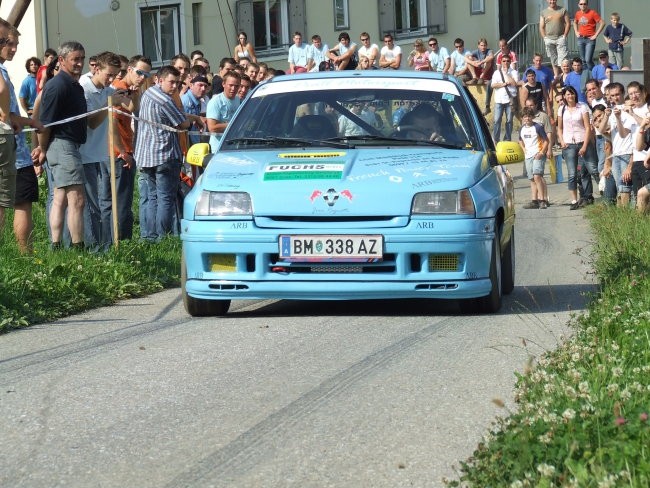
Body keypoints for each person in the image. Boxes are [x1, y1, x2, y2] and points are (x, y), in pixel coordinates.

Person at [134, 65, 204, 240]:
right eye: (171, 82)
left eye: (177, 83)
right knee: (165, 199)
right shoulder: (165, 100)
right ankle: (162, 238)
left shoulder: (148, 93)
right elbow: (183, 124)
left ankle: (150, 236)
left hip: (146, 155)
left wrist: (191, 117)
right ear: (160, 80)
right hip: (164, 155)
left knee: (152, 198)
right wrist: (193, 119)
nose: (174, 86)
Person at [34, 41, 88, 249]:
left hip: (67, 145)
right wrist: (43, 149)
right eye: (75, 59)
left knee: (60, 199)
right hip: (62, 146)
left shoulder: (72, 84)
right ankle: (77, 248)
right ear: (62, 60)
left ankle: (56, 247)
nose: (79, 63)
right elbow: (45, 124)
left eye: (82, 58)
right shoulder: (58, 85)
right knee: (77, 200)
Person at [0, 21, 43, 253]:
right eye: (9, 43)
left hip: (11, 145)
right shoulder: (1, 72)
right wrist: (30, 121)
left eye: (16, 44)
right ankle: (24, 253)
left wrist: (26, 121)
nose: (14, 48)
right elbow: (9, 113)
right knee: (21, 202)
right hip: (13, 151)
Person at [79, 51, 124, 250]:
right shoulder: (84, 88)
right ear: (96, 69)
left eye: (115, 75)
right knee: (90, 207)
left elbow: (130, 105)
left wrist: (129, 93)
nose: (112, 79)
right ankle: (92, 248)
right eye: (109, 75)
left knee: (99, 203)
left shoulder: (107, 89)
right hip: (84, 154)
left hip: (99, 153)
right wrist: (109, 104)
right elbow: (92, 123)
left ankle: (101, 246)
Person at [110, 54, 152, 243]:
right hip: (119, 152)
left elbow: (135, 109)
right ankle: (120, 242)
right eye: (139, 72)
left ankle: (123, 241)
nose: (142, 77)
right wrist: (123, 152)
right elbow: (112, 124)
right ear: (129, 70)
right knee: (121, 202)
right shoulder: (119, 89)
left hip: (127, 147)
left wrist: (136, 93)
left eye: (146, 75)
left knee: (125, 201)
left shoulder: (130, 89)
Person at [556, 85, 598, 209]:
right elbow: (559, 127)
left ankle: (604, 192)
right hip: (569, 144)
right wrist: (561, 141)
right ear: (564, 96)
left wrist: (585, 146)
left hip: (582, 141)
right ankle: (574, 200)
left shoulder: (582, 107)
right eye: (568, 94)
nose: (570, 96)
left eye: (572, 93)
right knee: (572, 174)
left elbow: (587, 128)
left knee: (592, 169)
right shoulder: (561, 109)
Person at [596, 81, 636, 207]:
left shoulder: (628, 110)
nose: (615, 98)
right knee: (621, 188)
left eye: (617, 94)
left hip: (627, 152)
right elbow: (601, 130)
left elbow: (624, 134)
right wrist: (607, 117)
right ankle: (623, 216)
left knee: (626, 188)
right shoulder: (612, 111)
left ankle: (629, 216)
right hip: (617, 154)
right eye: (612, 96)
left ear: (623, 94)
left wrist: (618, 117)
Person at [623, 81, 649, 201]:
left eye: (636, 92)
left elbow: (647, 125)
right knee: (637, 193)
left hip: (646, 157)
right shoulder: (631, 112)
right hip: (636, 158)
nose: (634, 96)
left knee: (646, 193)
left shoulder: (647, 108)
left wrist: (633, 114)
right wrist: (618, 118)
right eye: (631, 94)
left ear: (643, 93)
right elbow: (623, 134)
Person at [520, 107, 550, 209]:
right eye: (525, 116)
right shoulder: (522, 128)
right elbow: (520, 140)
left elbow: (546, 140)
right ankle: (534, 200)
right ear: (522, 118)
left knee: (537, 176)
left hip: (537, 154)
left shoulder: (537, 127)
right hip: (528, 156)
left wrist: (542, 152)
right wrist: (524, 149)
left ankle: (542, 200)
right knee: (532, 179)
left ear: (532, 117)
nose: (527, 118)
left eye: (529, 116)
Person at [206, 70, 241, 152]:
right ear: (223, 84)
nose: (233, 88)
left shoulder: (238, 100)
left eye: (236, 86)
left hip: (234, 147)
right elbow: (212, 128)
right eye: (231, 85)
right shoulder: (215, 102)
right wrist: (234, 124)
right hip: (218, 149)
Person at [539, 0, 570, 77]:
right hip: (549, 39)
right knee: (553, 60)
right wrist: (544, 38)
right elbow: (541, 26)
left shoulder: (563, 10)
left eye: (553, 0)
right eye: (550, 0)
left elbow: (568, 23)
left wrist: (564, 36)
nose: (552, 1)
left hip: (560, 38)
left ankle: (565, 78)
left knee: (563, 60)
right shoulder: (543, 12)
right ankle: (556, 76)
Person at [491, 55, 518, 142]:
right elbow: (493, 85)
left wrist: (507, 74)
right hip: (499, 100)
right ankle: (496, 140)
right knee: (497, 120)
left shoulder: (514, 72)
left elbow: (514, 84)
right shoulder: (496, 73)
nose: (505, 62)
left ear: (510, 62)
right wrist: (504, 84)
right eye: (504, 61)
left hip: (510, 100)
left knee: (509, 120)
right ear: (501, 62)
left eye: (507, 61)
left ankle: (507, 139)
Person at [573, 0, 604, 71]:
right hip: (580, 39)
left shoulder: (592, 13)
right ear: (578, 5)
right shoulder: (578, 13)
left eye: (584, 4)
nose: (583, 5)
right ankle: (587, 76)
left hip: (590, 40)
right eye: (581, 4)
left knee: (588, 60)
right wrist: (576, 32)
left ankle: (594, 74)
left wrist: (596, 35)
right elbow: (574, 22)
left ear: (587, 5)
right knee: (583, 60)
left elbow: (602, 23)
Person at [181, 72, 209, 145]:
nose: (203, 89)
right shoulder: (186, 101)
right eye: (200, 85)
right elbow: (183, 125)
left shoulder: (197, 99)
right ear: (191, 85)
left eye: (205, 86)